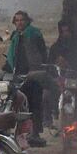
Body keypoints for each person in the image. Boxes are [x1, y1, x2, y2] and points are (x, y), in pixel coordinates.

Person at [4, 10, 48, 146]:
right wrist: (6, 69)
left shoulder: (34, 34)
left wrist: (38, 69)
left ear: (27, 21)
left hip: (34, 74)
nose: (19, 23)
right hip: (19, 75)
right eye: (17, 20)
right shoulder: (16, 36)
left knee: (35, 104)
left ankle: (35, 133)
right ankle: (21, 133)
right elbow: (12, 56)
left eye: (22, 20)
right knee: (20, 104)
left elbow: (43, 53)